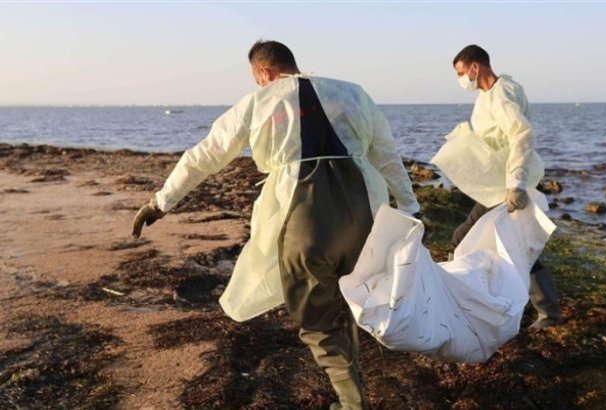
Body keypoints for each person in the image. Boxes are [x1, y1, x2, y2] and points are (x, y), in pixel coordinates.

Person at [131, 40, 420, 410]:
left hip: (305, 216)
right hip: (365, 211)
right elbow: (387, 154)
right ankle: (354, 390)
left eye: (258, 79)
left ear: (264, 72)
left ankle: (352, 404)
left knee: (318, 318)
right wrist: (411, 206)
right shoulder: (352, 93)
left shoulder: (259, 102)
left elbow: (204, 156)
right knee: (352, 300)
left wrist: (161, 202)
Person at [450, 44, 562, 330]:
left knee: (465, 238)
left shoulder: (502, 95)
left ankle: (471, 301)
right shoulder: (488, 95)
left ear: (475, 67)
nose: (461, 80)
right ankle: (533, 308)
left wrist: (516, 184)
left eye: (462, 73)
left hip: (507, 185)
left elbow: (521, 136)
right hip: (496, 183)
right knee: (514, 245)